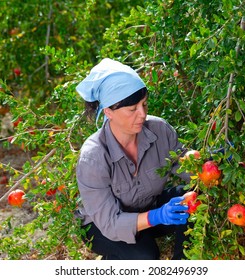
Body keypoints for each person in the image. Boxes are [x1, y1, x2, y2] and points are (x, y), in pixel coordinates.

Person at [74, 58, 193, 260]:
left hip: (146, 208)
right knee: (145, 257)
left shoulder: (159, 130)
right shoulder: (93, 157)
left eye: (144, 104)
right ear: (108, 112)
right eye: (132, 109)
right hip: (103, 226)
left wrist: (205, 162)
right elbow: (110, 222)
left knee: (191, 200)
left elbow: (184, 165)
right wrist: (157, 216)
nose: (143, 114)